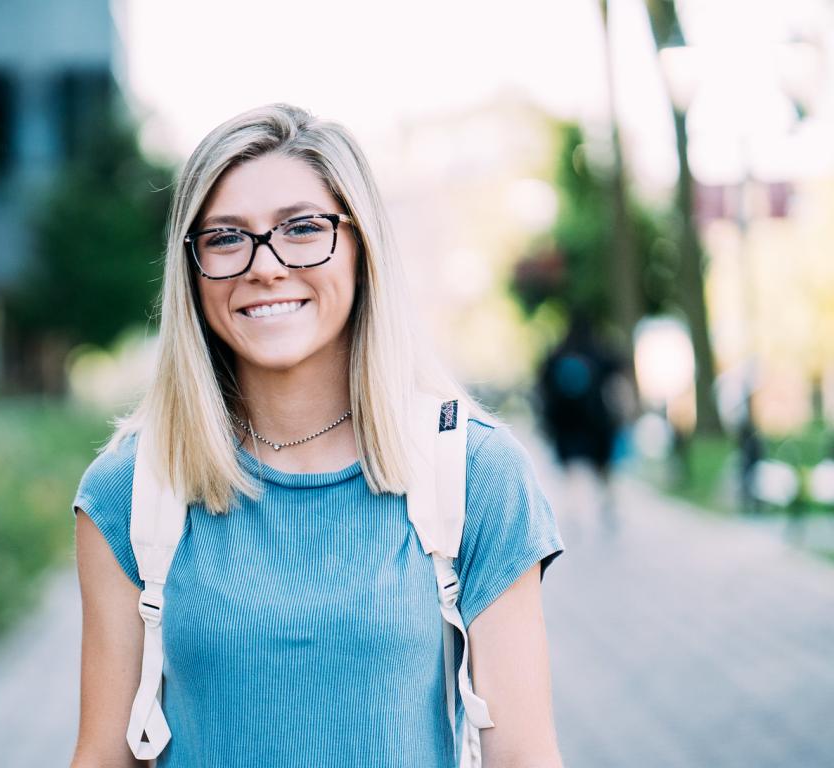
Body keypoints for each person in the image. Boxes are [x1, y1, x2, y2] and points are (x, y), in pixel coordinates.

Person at [68, 104, 565, 768]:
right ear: (191, 268)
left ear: (361, 247)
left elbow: (524, 759)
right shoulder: (131, 489)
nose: (265, 265)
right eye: (225, 238)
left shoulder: (475, 472)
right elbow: (104, 757)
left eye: (303, 229)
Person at [535, 311, 630, 531]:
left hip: (565, 425)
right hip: (597, 423)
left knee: (570, 470)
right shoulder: (598, 351)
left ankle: (573, 511)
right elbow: (619, 370)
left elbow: (542, 384)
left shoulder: (558, 353)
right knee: (603, 467)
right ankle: (608, 505)